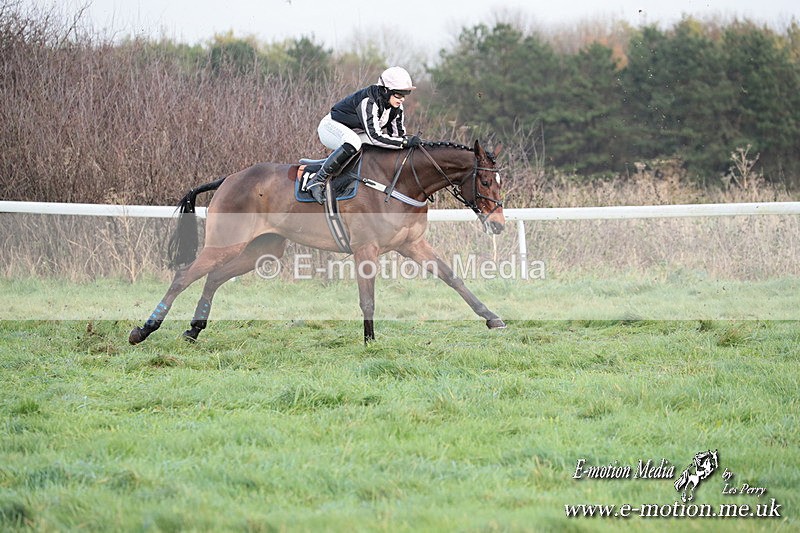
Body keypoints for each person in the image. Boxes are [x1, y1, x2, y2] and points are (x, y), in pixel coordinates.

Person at [304, 66, 423, 204]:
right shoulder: (369, 101)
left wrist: (409, 143)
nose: (402, 99)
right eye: (398, 94)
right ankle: (317, 180)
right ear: (385, 91)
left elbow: (398, 138)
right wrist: (404, 143)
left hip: (354, 132)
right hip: (330, 127)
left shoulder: (397, 108)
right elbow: (376, 136)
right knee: (355, 142)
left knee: (377, 147)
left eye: (404, 95)